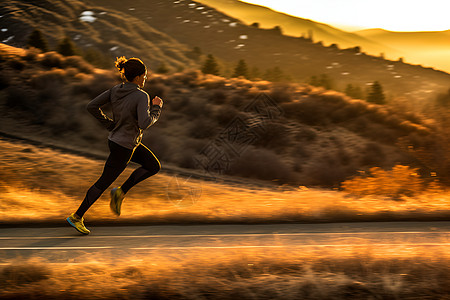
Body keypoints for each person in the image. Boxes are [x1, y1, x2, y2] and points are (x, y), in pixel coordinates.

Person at [67, 56, 163, 235]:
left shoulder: (115, 90)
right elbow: (145, 123)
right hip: (124, 146)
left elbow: (91, 106)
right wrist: (156, 108)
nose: (145, 78)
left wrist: (109, 124)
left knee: (153, 165)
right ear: (137, 77)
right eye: (145, 75)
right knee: (103, 182)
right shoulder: (142, 96)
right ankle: (77, 216)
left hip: (119, 141)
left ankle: (120, 192)